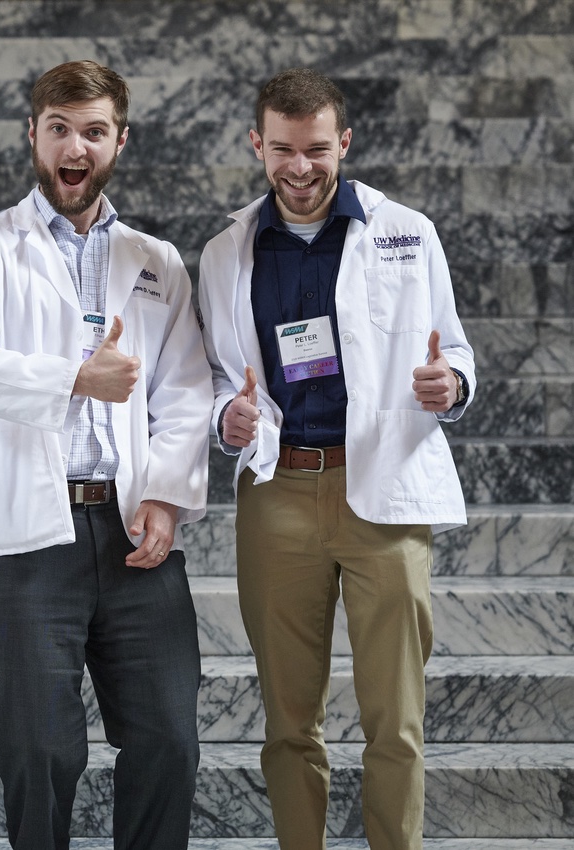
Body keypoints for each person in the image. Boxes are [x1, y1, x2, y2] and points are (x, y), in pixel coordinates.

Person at [0, 60, 212, 849]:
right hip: (24, 538)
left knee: (167, 740)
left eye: (93, 132)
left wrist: (165, 494)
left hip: (133, 535)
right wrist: (76, 377)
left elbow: (187, 391)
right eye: (59, 129)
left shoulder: (157, 262)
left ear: (120, 141)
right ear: (33, 135)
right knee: (40, 752)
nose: (75, 146)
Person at [197, 67, 475, 850]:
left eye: (316, 148)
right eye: (282, 148)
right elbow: (218, 376)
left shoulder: (406, 231)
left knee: (396, 718)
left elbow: (453, 347)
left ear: (343, 143)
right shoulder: (226, 252)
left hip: (380, 489)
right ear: (258, 144)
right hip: (279, 496)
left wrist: (450, 381)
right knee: (289, 720)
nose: (299, 166)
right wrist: (231, 414)